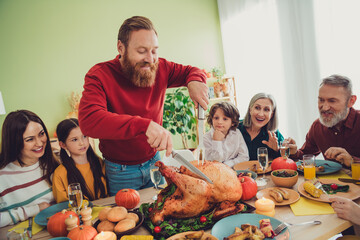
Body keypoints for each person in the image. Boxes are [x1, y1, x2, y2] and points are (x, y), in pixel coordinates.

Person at [78, 16, 208, 195]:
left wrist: (195, 80)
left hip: (155, 161)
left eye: (154, 51)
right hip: (120, 171)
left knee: (160, 213)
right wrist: (143, 125)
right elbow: (89, 120)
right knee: (129, 219)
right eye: (141, 51)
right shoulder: (99, 75)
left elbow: (192, 71)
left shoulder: (161, 67)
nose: (150, 59)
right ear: (121, 48)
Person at [0, 110, 59, 227]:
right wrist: (34, 209)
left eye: (41, 134)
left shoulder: (55, 161)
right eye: (30, 139)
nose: (39, 143)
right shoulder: (3, 177)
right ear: (14, 143)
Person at [288, 74, 359, 167]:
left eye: (332, 101)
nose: (325, 107)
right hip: (329, 181)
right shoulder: (317, 126)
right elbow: (305, 156)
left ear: (351, 101)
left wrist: (352, 161)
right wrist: (293, 152)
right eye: (321, 100)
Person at [52, 118, 107, 203]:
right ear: (63, 145)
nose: (82, 143)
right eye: (74, 139)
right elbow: (63, 207)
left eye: (84, 136)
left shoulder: (99, 162)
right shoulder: (59, 174)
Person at [237, 93, 284, 160]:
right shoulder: (236, 128)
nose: (261, 114)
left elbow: (283, 163)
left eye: (266, 109)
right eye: (257, 108)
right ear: (250, 110)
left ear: (271, 115)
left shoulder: (274, 135)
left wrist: (276, 150)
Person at [204, 102, 249, 167]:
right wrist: (217, 141)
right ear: (212, 119)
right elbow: (214, 163)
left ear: (233, 122)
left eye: (225, 119)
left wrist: (228, 164)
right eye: (216, 118)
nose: (219, 122)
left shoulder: (237, 133)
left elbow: (244, 157)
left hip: (235, 170)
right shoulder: (206, 138)